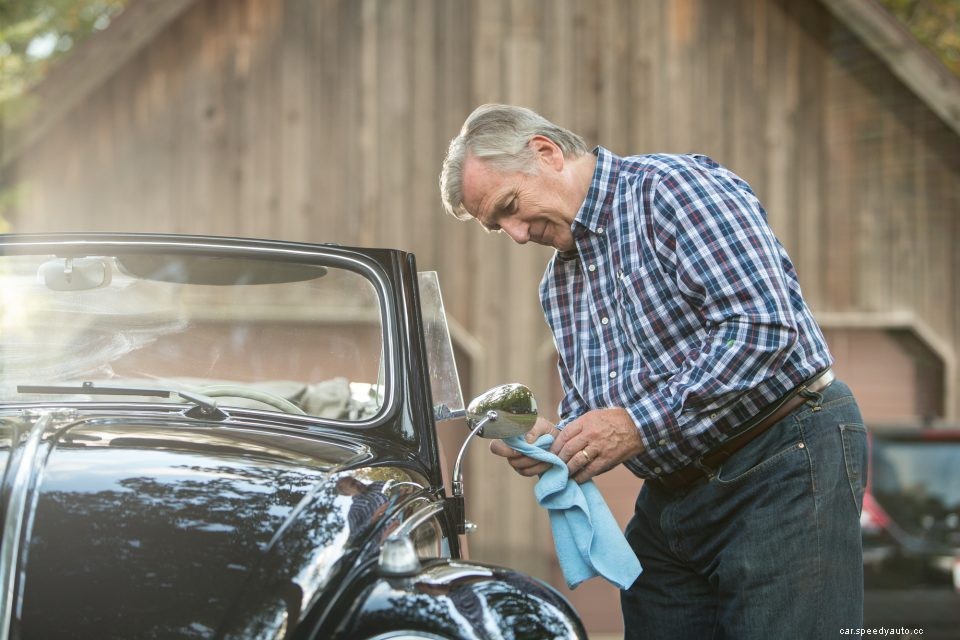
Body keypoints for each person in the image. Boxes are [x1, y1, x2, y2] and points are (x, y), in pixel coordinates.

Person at [438, 104, 868, 639]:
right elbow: (602, 411)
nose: (517, 234)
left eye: (510, 207)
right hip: (674, 495)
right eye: (498, 227)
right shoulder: (559, 286)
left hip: (780, 457)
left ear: (546, 153)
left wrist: (637, 424)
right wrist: (557, 442)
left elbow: (762, 328)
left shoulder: (672, 190)